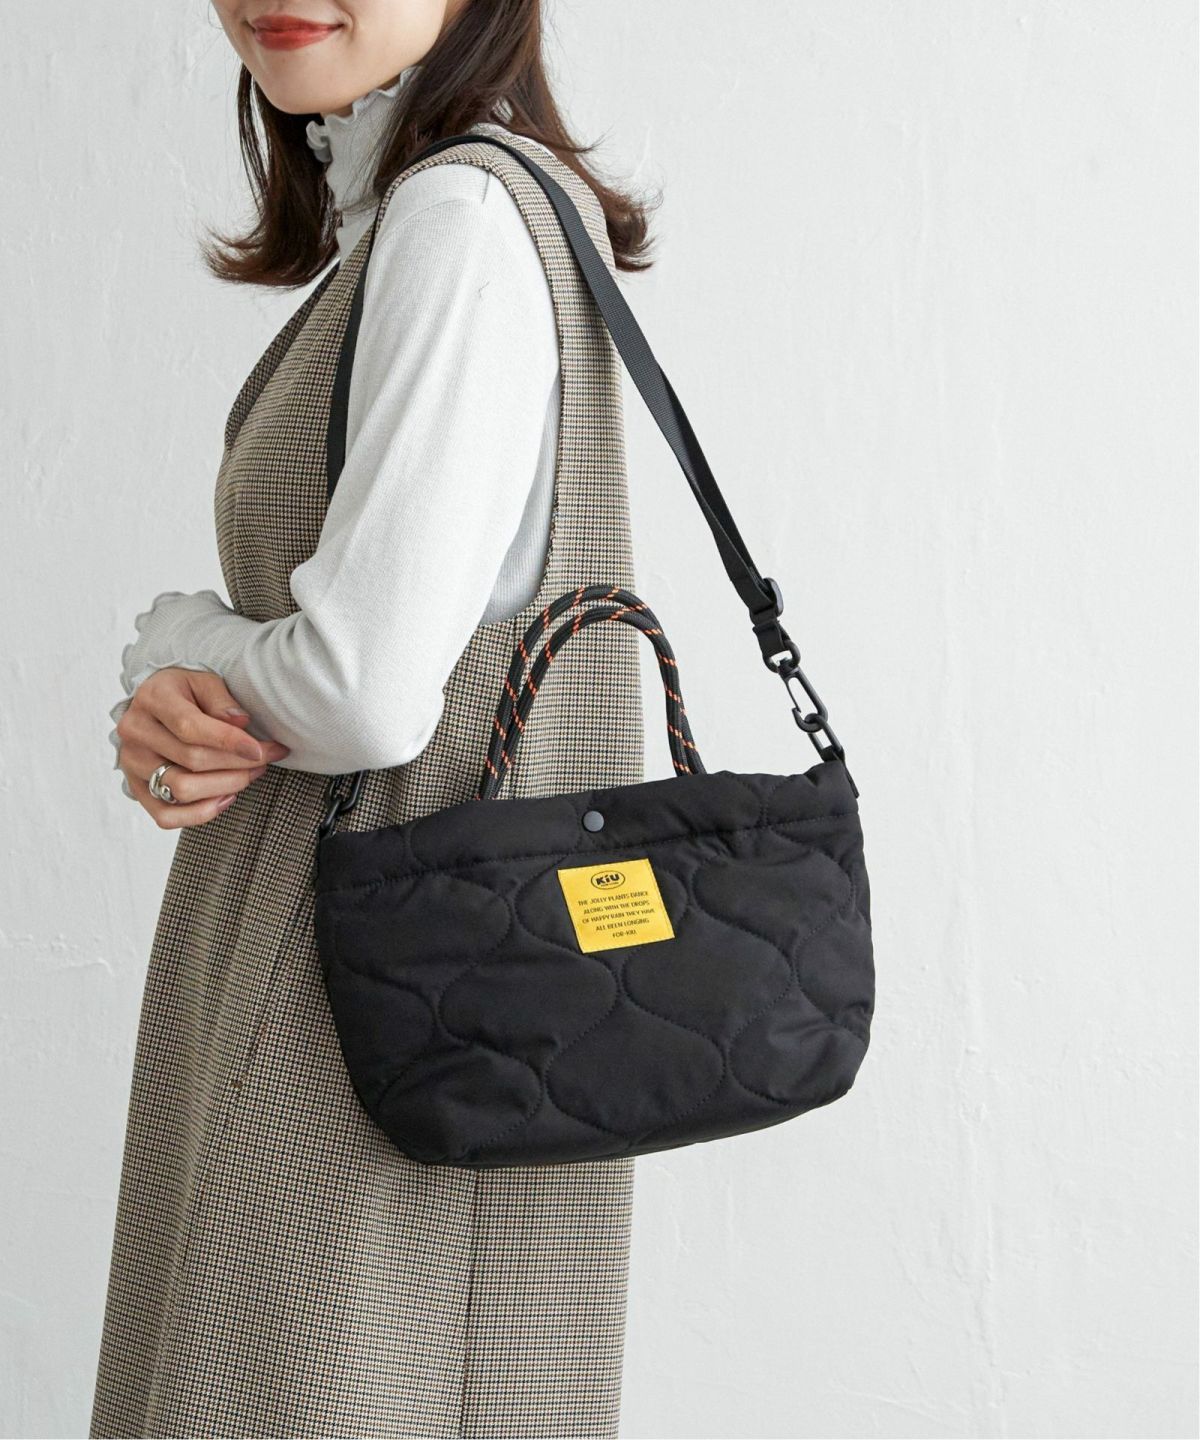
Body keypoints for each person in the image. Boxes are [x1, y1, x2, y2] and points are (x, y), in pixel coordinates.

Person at [90, 2, 658, 1435]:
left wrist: (173, 644)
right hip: (385, 986)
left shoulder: (458, 220)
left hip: (357, 1012)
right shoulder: (435, 210)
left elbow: (362, 686)